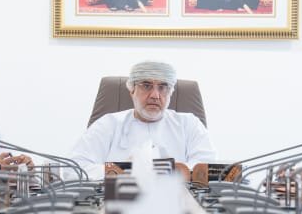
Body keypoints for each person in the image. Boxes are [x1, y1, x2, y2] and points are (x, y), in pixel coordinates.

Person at [70, 61, 216, 179]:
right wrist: (125, 171)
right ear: (132, 90)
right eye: (146, 86)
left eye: (163, 87)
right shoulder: (108, 124)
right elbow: (74, 169)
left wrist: (168, 171)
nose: (155, 95)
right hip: (119, 201)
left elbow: (207, 169)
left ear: (171, 92)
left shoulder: (190, 124)